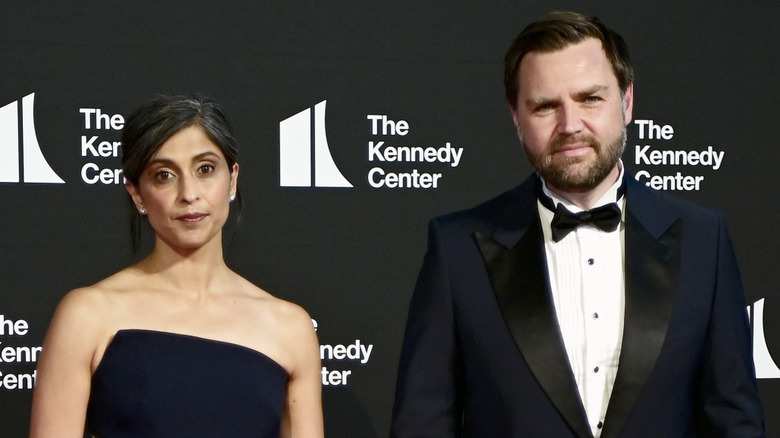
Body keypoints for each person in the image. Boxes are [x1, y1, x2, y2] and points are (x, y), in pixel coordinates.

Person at [390, 11, 764, 438]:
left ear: (626, 102)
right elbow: (421, 426)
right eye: (545, 106)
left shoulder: (704, 239)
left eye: (590, 98)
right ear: (516, 116)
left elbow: (735, 423)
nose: (570, 125)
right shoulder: (457, 248)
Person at [29, 94, 324, 437]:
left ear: (232, 179)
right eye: (164, 175)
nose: (189, 193)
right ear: (137, 194)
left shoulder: (290, 327)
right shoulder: (87, 315)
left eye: (205, 169)